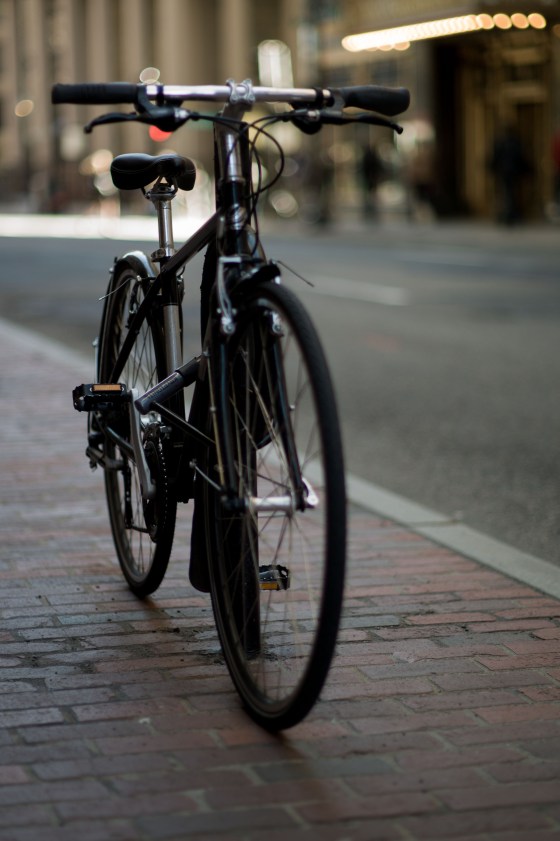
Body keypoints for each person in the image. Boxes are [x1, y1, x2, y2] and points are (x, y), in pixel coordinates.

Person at [490, 125, 531, 225]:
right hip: (513, 172)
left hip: (505, 171)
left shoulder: (501, 143)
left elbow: (496, 157)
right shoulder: (515, 143)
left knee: (507, 192)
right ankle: (510, 213)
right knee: (510, 193)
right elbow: (520, 157)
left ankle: (509, 213)